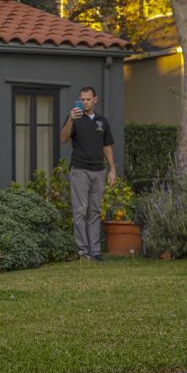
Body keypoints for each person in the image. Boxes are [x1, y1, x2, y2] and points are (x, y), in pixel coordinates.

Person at [59, 86, 116, 261]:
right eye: (82, 99)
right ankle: (83, 251)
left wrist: (112, 168)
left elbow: (106, 145)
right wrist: (70, 119)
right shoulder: (74, 118)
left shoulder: (102, 121)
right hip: (80, 170)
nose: (85, 102)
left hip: (98, 171)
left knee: (95, 211)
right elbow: (63, 138)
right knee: (80, 210)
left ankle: (96, 251)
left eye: (88, 99)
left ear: (95, 100)